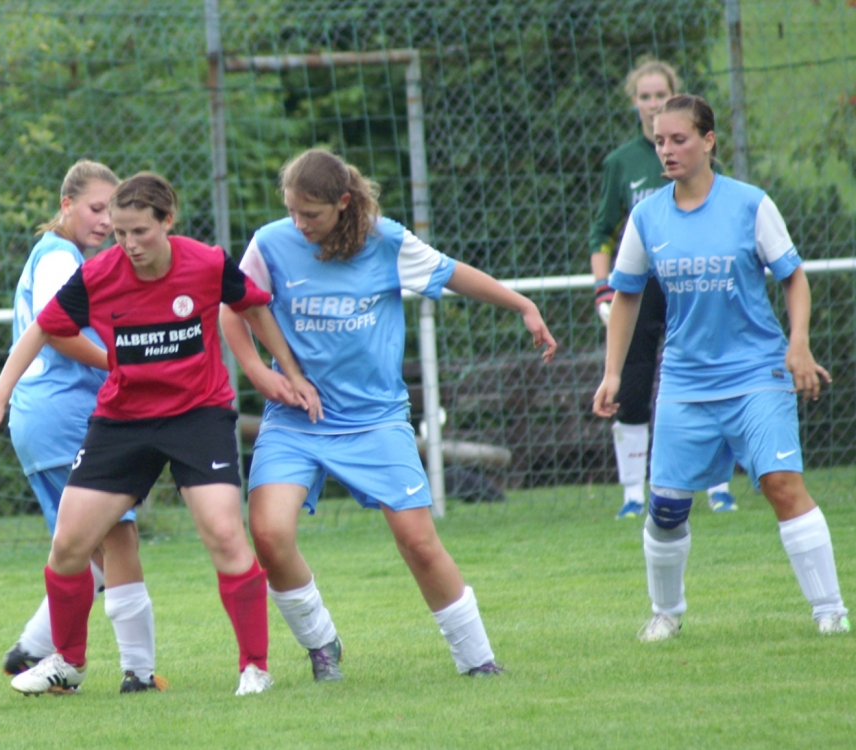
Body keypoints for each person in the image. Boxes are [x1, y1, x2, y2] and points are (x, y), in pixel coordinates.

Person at [0, 172, 320, 696]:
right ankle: (69, 663)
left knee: (225, 536)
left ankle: (255, 667)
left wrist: (290, 373)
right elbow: (44, 327)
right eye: (120, 232)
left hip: (197, 415)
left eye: (140, 232)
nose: (128, 243)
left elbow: (252, 307)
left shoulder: (206, 263)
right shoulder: (99, 273)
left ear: (167, 220)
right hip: (123, 419)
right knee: (68, 546)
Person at [220, 148, 557, 680]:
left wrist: (522, 304)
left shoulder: (386, 242)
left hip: (375, 420)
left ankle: (477, 662)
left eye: (311, 213)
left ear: (343, 202)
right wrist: (262, 376)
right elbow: (232, 308)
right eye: (292, 211)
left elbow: (452, 273)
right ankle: (321, 644)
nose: (299, 224)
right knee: (268, 534)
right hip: (297, 420)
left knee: (418, 541)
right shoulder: (270, 243)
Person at [593, 94, 850, 641]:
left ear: (708, 141)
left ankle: (830, 611)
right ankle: (666, 613)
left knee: (782, 484)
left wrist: (798, 344)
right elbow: (626, 294)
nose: (667, 150)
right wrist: (613, 373)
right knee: (666, 508)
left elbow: (793, 277)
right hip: (685, 381)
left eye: (679, 139)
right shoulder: (647, 216)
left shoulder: (749, 204)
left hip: (756, 373)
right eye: (659, 141)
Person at [1, 159, 166, 695]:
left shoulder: (53, 254)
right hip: (65, 414)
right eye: (96, 208)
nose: (105, 221)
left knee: (82, 546)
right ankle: (137, 672)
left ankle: (33, 649)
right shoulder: (59, 256)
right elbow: (56, 329)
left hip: (38, 419)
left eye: (110, 211)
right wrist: (120, 363)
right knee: (118, 539)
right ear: (66, 204)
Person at [589, 58, 737, 518]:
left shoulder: (696, 156)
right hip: (641, 287)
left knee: (710, 374)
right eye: (645, 96)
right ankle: (634, 493)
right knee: (632, 384)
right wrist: (603, 288)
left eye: (661, 95)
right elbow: (602, 234)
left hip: (693, 281)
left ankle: (718, 487)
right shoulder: (622, 162)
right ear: (634, 101)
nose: (653, 103)